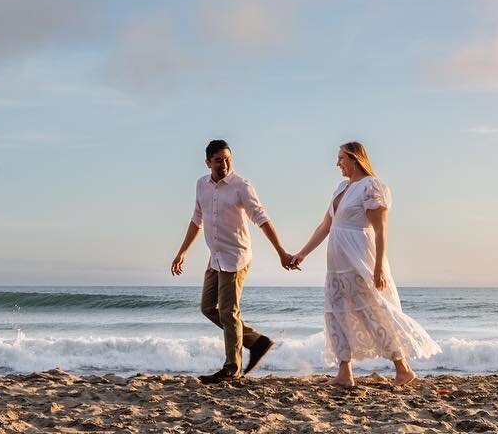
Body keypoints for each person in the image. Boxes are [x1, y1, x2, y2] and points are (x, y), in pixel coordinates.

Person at [290, 141, 439, 387]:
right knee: (337, 314)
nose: (337, 163)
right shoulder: (340, 188)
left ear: (354, 159)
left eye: (341, 158)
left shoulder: (371, 187)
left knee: (372, 313)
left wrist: (379, 266)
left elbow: (380, 231)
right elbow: (326, 226)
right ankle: (344, 373)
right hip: (336, 266)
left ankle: (403, 369)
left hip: (359, 261)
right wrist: (302, 254)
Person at [171, 139, 296, 383]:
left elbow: (262, 218)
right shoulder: (201, 185)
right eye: (218, 160)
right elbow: (197, 220)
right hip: (215, 257)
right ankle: (256, 342)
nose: (224, 164)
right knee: (208, 308)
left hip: (236, 256)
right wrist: (182, 252)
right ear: (208, 162)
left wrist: (281, 251)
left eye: (228, 159)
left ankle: (232, 368)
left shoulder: (241, 186)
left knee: (229, 312)